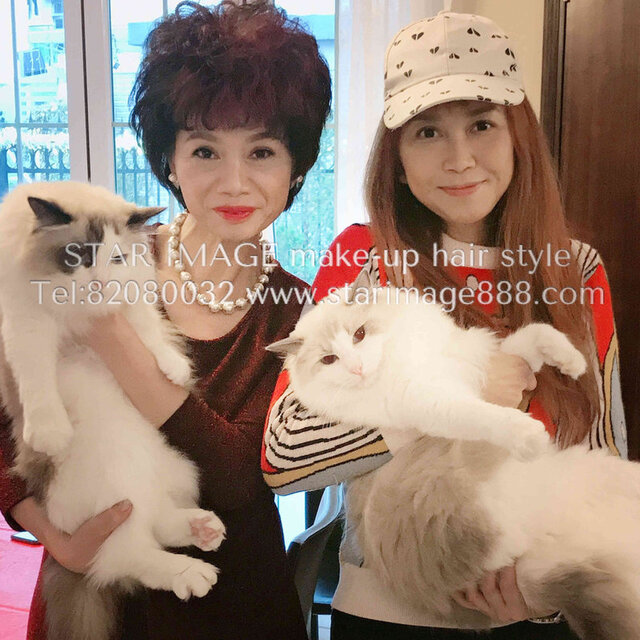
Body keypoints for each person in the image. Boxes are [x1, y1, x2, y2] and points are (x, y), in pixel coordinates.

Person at [262, 10, 627, 640]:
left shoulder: (575, 267)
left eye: (482, 124)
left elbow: (601, 444)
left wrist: (543, 596)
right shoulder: (363, 258)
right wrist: (457, 398)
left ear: (518, 137)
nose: (460, 160)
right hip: (388, 610)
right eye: (428, 132)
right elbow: (285, 454)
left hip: (540, 602)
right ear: (397, 158)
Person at [0, 2, 331, 638]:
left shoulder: (300, 311)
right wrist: (57, 539)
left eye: (262, 151)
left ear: (295, 169)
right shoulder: (90, 255)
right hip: (93, 600)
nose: (234, 182)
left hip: (233, 607)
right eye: (205, 150)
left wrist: (108, 331)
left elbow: (235, 478)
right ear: (169, 161)